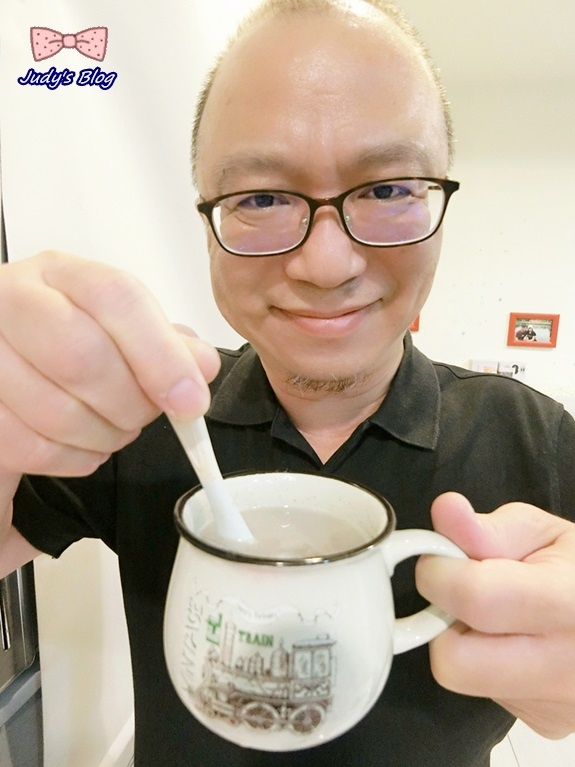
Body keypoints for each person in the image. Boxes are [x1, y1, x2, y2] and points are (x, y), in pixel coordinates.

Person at [1, 1, 575, 765]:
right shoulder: (142, 416)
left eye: (387, 188)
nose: (326, 264)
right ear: (206, 223)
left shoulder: (538, 438)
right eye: (262, 198)